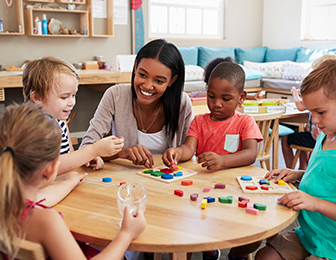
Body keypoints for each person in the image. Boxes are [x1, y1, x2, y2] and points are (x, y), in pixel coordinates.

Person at [0, 103, 146, 260]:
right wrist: (126, 234)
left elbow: (44, 196)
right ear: (50, 170)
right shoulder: (46, 221)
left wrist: (70, 182)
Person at [255, 57, 336, 259]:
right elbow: (329, 178)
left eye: (320, 112)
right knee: (264, 256)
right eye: (312, 112)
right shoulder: (326, 134)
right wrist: (297, 173)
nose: (314, 120)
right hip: (310, 234)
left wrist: (315, 203)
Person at [79, 39, 193, 169]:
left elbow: (190, 148)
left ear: (172, 80)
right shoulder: (115, 95)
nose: (147, 86)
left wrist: (178, 152)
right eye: (142, 75)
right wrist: (121, 153)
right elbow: (86, 148)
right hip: (124, 181)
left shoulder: (182, 103)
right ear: (135, 67)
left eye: (159, 81)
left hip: (167, 181)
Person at [23, 56, 125, 176]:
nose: (72, 102)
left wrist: (85, 158)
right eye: (64, 97)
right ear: (38, 97)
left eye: (74, 95)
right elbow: (48, 169)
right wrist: (93, 150)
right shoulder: (34, 127)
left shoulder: (60, 121)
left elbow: (69, 157)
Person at [163, 61, 263, 171]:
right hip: (205, 179)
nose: (217, 104)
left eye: (225, 99)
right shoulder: (199, 121)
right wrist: (178, 152)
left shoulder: (245, 122)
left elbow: (250, 154)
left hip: (234, 179)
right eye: (211, 96)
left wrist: (222, 160)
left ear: (241, 97)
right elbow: (189, 147)